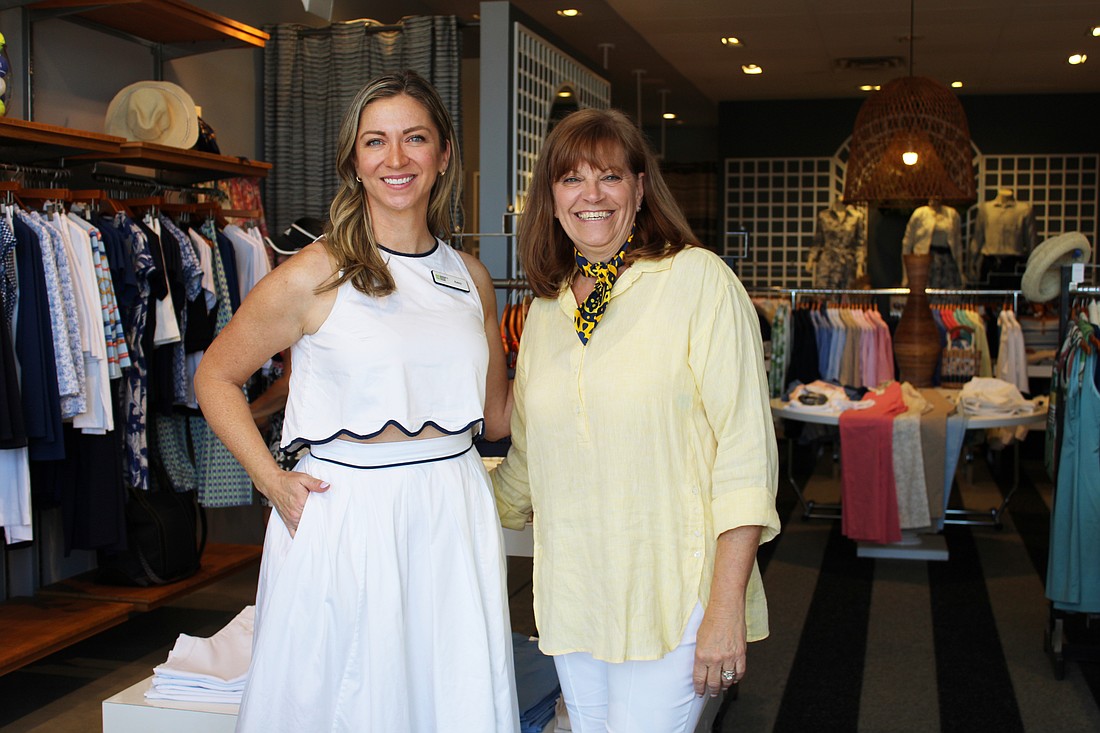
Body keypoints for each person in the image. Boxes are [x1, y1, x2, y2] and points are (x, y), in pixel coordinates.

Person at [194, 70, 519, 732]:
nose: (396, 158)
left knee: (448, 693)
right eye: (376, 141)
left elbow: (496, 415)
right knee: (348, 701)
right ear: (354, 160)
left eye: (415, 138)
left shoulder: (471, 278)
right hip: (349, 515)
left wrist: (575, 349)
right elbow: (215, 376)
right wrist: (271, 480)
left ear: (444, 154)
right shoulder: (314, 273)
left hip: (451, 509)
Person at [492, 108, 780, 732]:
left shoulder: (698, 281)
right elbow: (529, 461)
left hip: (671, 591)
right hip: (574, 591)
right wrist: (434, 500)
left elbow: (745, 456)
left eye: (610, 176)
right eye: (571, 178)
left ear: (640, 188)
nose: (591, 195)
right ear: (552, 198)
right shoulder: (545, 311)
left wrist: (725, 606)